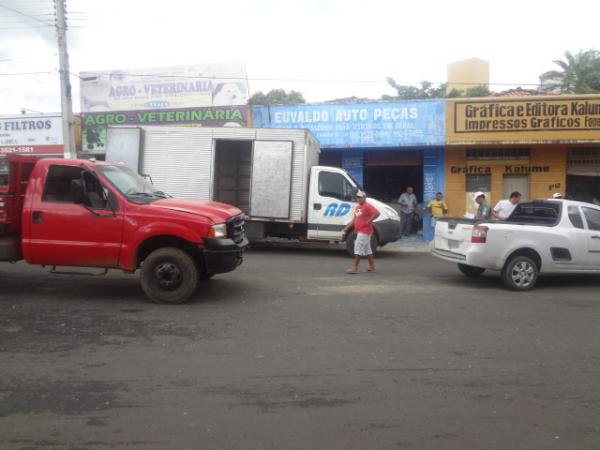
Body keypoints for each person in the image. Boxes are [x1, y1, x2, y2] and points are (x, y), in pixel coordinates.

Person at [342, 190, 380, 274]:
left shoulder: (367, 206)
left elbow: (377, 213)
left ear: (364, 198)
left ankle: (355, 268)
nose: (358, 199)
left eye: (360, 197)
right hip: (360, 230)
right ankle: (372, 267)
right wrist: (346, 228)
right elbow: (354, 220)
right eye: (357, 197)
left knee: (358, 247)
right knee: (367, 249)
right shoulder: (358, 207)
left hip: (365, 230)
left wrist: (370, 220)